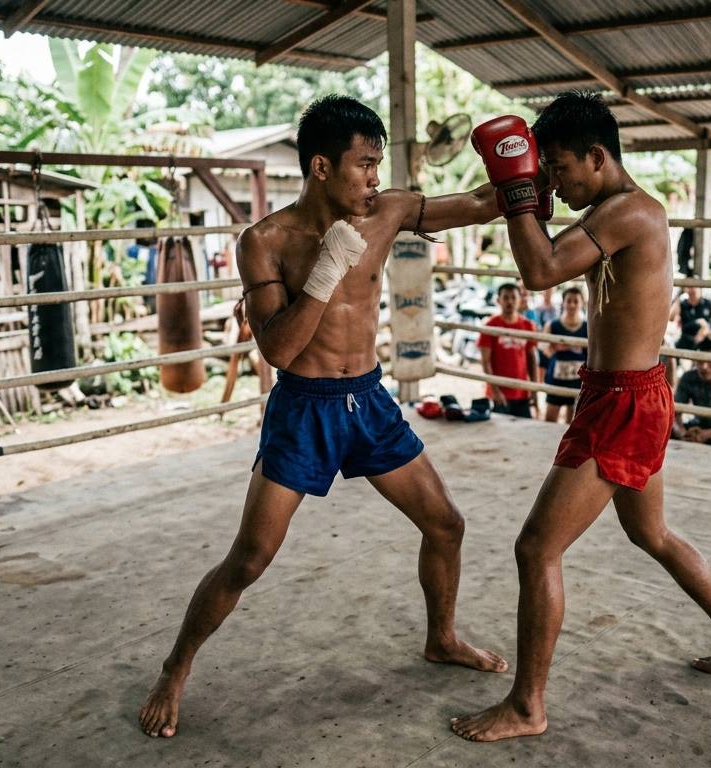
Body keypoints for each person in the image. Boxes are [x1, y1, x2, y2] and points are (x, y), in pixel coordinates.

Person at [139, 95, 508, 740]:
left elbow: (480, 204)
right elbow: (278, 349)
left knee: (446, 524)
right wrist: (329, 267)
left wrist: (525, 170)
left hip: (368, 400)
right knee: (249, 558)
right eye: (363, 165)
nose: (373, 179)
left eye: (377, 165)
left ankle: (441, 637)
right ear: (320, 166)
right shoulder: (265, 241)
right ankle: (175, 668)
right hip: (303, 409)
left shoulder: (389, 211)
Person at [451, 92, 711, 743]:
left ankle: (528, 705)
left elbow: (538, 270)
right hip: (624, 393)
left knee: (537, 548)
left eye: (561, 169)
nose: (556, 184)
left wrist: (516, 189)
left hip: (623, 402)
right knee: (652, 534)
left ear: (598, 156)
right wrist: (525, 191)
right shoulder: (617, 211)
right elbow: (547, 252)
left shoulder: (631, 212)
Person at [480, 282, 540, 418]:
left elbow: (532, 358)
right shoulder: (491, 325)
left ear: (520, 300)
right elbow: (485, 361)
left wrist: (534, 389)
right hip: (499, 393)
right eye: (506, 298)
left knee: (523, 432)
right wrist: (495, 390)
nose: (510, 301)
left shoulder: (527, 325)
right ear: (498, 300)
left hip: (522, 391)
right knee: (499, 435)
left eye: (513, 297)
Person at [543, 286, 588, 423]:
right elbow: (545, 349)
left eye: (576, 301)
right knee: (550, 418)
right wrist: (557, 351)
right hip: (557, 377)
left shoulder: (588, 327)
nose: (572, 304)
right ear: (563, 303)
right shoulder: (552, 325)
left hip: (578, 379)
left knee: (572, 421)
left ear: (582, 303)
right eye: (569, 301)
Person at [669, 284, 711, 351]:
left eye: (695, 286)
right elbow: (670, 317)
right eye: (690, 287)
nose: (693, 289)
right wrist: (678, 298)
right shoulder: (682, 304)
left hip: (705, 340)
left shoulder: (708, 303)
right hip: (686, 340)